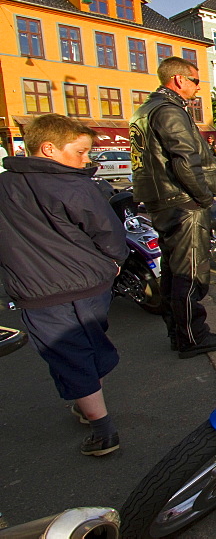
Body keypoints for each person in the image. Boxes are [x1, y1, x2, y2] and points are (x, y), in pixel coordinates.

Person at [0, 114, 128, 456]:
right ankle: (93, 410)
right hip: (89, 285)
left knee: (71, 356)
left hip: (38, 292)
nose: (86, 159)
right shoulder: (74, 186)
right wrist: (113, 265)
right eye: (81, 151)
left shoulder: (4, 186)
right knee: (86, 349)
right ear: (49, 148)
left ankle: (102, 428)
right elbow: (110, 233)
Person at [130, 57, 216, 359]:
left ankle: (178, 332)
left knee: (175, 271)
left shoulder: (145, 110)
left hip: (162, 200)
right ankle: (192, 336)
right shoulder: (169, 111)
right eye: (196, 81)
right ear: (178, 80)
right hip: (181, 201)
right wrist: (203, 197)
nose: (198, 88)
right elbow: (185, 160)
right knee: (190, 271)